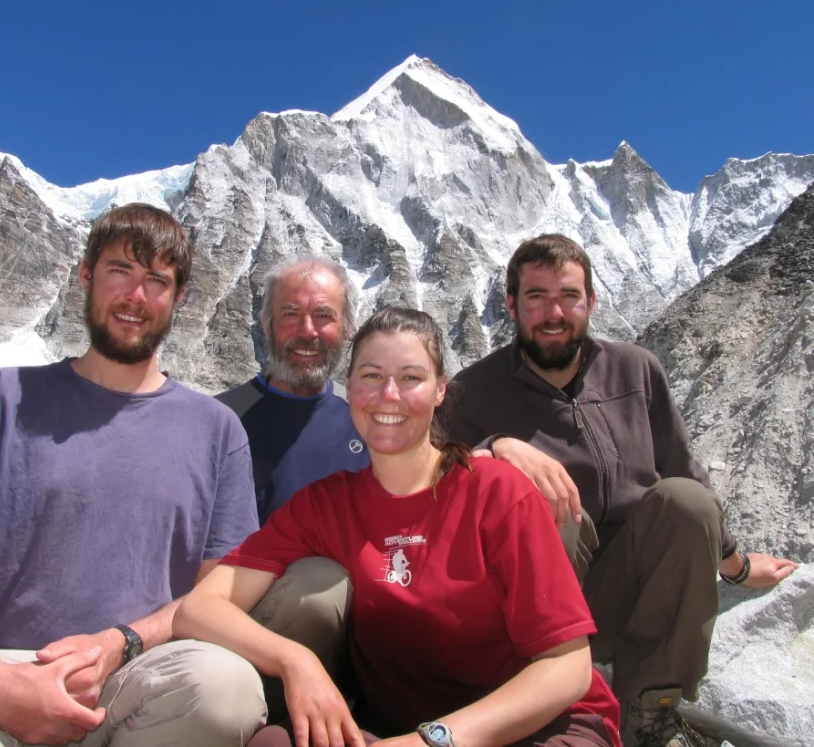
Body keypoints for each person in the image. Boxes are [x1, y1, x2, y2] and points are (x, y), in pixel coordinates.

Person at [0, 203, 268, 746]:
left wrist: (122, 642)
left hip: (139, 678)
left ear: (179, 297)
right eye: (120, 271)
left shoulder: (218, 431)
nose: (136, 297)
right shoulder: (1, 398)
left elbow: (219, 591)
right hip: (5, 668)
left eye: (156, 280)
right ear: (86, 275)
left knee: (226, 691)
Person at [173, 307, 621, 747]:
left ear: (441, 391)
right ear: (347, 389)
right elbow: (200, 608)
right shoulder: (327, 504)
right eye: (370, 375)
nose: (389, 394)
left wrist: (434, 740)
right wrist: (296, 660)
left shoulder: (497, 491)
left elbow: (567, 668)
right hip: (400, 730)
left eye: (411, 377)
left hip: (540, 728)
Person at [446, 233, 799, 746]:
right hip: (529, 613)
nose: (553, 311)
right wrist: (495, 446)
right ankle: (539, 697)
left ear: (590, 301)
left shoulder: (636, 369)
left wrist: (737, 565)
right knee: (540, 497)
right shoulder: (471, 391)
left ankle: (649, 711)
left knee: (684, 500)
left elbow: (684, 472)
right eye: (536, 296)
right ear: (511, 306)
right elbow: (433, 473)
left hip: (626, 597)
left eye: (568, 295)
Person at [215, 258, 369, 524]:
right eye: (291, 313)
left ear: (347, 329)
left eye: (323, 315)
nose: (308, 332)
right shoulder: (218, 421)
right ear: (266, 324)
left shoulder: (367, 422)